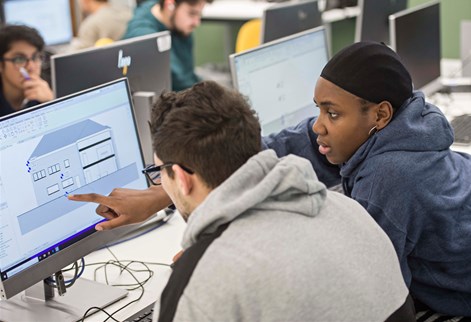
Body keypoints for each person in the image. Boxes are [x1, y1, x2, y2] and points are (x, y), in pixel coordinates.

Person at [69, 42, 471, 317]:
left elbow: (372, 295)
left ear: (380, 115)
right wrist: (163, 192)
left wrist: (219, 268)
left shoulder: (391, 178)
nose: (318, 128)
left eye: (332, 114)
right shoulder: (403, 124)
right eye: (319, 110)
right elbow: (267, 147)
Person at [122, 0, 213, 91]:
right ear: (170, 5)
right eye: (192, 14)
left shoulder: (174, 20)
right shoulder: (145, 38)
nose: (197, 22)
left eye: (199, 14)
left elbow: (188, 73)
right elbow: (182, 82)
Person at [0, 25, 54, 117]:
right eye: (19, 59)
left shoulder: (47, 88)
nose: (31, 67)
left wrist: (51, 103)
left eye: (35, 57)